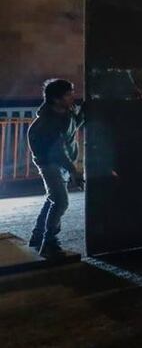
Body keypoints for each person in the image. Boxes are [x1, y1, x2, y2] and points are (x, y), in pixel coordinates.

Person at [27, 79, 85, 258]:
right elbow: (57, 152)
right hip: (50, 163)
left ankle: (38, 236)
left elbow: (74, 124)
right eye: (68, 95)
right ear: (56, 99)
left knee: (53, 199)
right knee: (61, 201)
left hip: (60, 163)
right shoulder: (48, 122)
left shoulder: (64, 114)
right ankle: (49, 243)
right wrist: (74, 171)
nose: (72, 97)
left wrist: (86, 110)